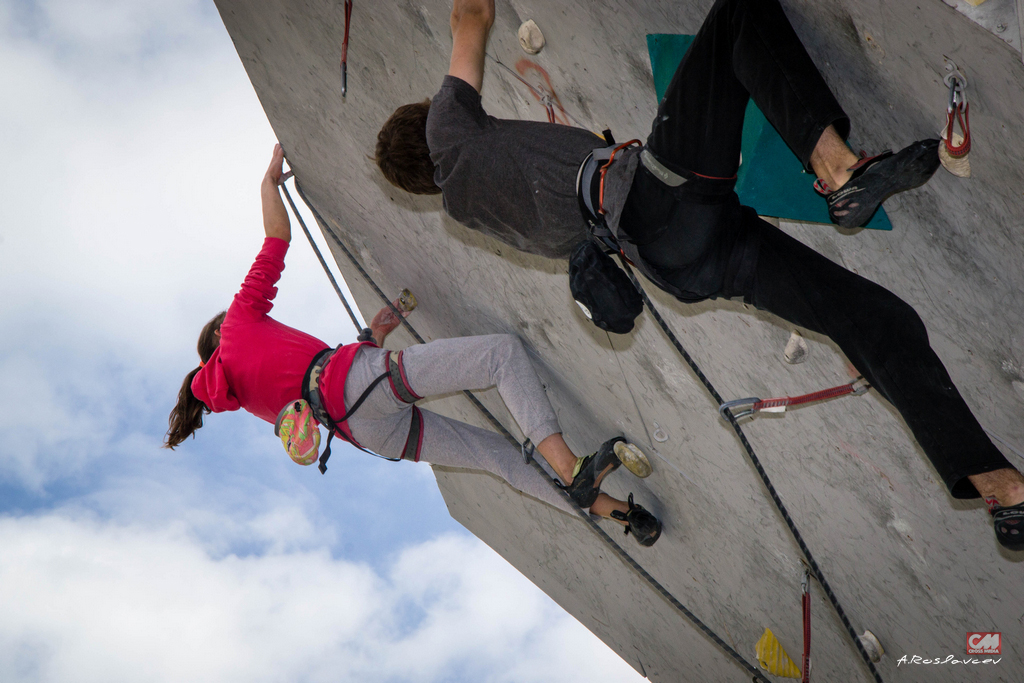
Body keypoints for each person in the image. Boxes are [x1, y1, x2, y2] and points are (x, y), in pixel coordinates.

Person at [374, 0, 1024, 550]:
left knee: (876, 321)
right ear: (428, 127)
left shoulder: (469, 210)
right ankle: (839, 172)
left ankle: (1001, 488)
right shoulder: (449, 135)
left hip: (677, 260)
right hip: (659, 200)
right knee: (740, 13)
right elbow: (471, 15)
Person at [164, 144, 662, 547]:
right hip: (359, 386)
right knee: (500, 355)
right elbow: (276, 240)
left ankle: (625, 516)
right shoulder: (235, 328)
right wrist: (268, 183)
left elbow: (301, 385)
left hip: (366, 433)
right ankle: (568, 466)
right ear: (220, 330)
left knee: (499, 459)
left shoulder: (232, 393)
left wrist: (369, 339)